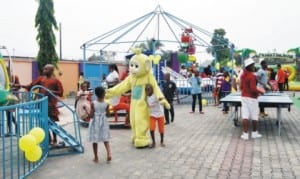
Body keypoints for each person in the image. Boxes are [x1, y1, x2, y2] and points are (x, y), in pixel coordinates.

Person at [22, 64, 64, 145]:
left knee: (52, 123)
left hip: (51, 105)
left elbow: (61, 93)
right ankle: (48, 140)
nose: (44, 70)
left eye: (46, 69)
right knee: (43, 123)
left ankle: (55, 139)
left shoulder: (56, 81)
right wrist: (20, 85)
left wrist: (51, 92)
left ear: (51, 70)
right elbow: (31, 86)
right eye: (44, 69)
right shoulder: (40, 79)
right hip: (41, 104)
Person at [240, 58, 264, 140]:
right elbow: (253, 89)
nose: (254, 66)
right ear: (249, 66)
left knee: (245, 116)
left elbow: (241, 87)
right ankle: (254, 134)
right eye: (253, 65)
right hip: (252, 99)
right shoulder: (252, 76)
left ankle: (245, 135)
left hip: (244, 98)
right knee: (254, 117)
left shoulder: (243, 75)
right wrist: (260, 92)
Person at [87, 86, 112, 163]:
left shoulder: (93, 103)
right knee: (105, 139)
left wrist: (86, 111)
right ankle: (108, 153)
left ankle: (96, 157)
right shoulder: (106, 104)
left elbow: (91, 115)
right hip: (104, 122)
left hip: (95, 122)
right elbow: (108, 115)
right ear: (103, 94)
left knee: (95, 140)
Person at [145, 84, 166, 148]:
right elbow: (147, 104)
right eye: (146, 90)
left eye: (148, 90)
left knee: (161, 129)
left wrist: (161, 99)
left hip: (160, 114)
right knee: (151, 128)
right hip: (152, 114)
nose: (147, 92)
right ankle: (153, 142)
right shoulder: (146, 97)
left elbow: (161, 98)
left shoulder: (156, 95)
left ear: (151, 90)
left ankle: (162, 141)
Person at [6, 68, 20, 136]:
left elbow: (19, 86)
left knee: (10, 114)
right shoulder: (5, 77)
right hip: (7, 98)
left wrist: (12, 86)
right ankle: (11, 131)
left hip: (12, 98)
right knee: (8, 115)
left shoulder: (14, 77)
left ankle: (14, 130)